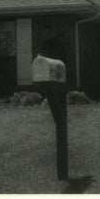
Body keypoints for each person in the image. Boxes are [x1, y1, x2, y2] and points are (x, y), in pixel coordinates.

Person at [32, 43, 68, 180]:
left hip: (53, 82)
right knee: (60, 120)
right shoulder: (52, 65)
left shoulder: (50, 66)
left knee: (61, 121)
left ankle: (63, 174)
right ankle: (62, 175)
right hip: (50, 81)